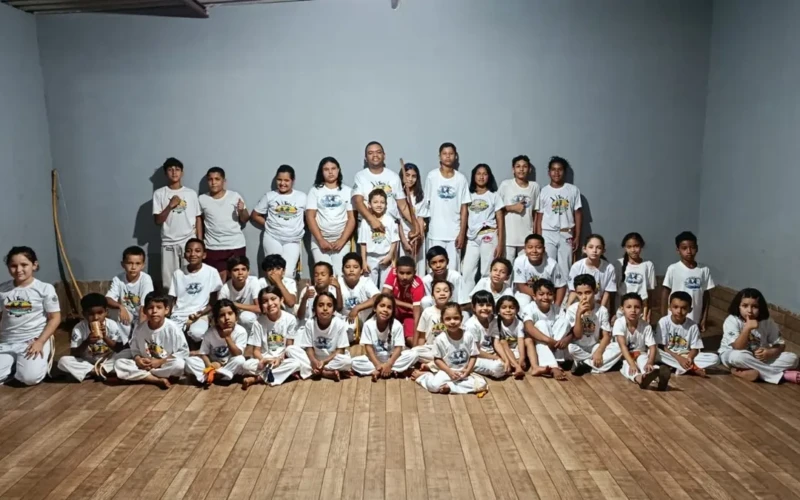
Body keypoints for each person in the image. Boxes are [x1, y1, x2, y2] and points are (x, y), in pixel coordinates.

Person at [0, 246, 61, 386]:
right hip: (7, 343)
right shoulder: (2, 290)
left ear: (34, 265)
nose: (19, 270)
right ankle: (13, 366)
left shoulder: (44, 289)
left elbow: (55, 318)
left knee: (29, 378)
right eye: (13, 266)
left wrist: (40, 342)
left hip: (33, 341)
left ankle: (34, 364)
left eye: (24, 265)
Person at [719, 288, 799, 384]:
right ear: (738, 306)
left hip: (759, 359)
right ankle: (783, 376)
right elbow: (738, 347)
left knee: (792, 358)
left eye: (754, 307)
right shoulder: (732, 320)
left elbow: (780, 344)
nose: (749, 311)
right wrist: (747, 328)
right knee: (740, 357)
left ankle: (743, 371)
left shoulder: (767, 321)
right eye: (745, 306)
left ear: (760, 308)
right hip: (733, 354)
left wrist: (770, 352)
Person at [114, 291, 189, 389]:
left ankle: (144, 376)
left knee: (180, 365)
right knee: (120, 364)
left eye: (159, 307)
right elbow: (134, 349)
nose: (154, 311)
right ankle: (156, 379)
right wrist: (138, 360)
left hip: (163, 364)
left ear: (166, 310)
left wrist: (160, 362)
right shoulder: (139, 329)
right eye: (150, 308)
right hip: (145, 366)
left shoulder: (173, 328)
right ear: (144, 311)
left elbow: (183, 352)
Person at [412, 302, 488, 395]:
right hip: (447, 371)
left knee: (482, 384)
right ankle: (425, 376)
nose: (452, 322)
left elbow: (473, 355)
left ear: (462, 318)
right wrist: (449, 372)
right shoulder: (440, 339)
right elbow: (437, 359)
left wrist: (468, 370)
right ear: (442, 320)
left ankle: (450, 387)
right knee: (433, 387)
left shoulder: (468, 336)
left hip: (463, 371)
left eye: (456, 318)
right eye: (448, 319)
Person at [152, 157, 201, 286]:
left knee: (191, 276)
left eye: (177, 169)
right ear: (165, 173)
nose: (174, 172)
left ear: (182, 172)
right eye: (170, 170)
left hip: (188, 241)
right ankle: (170, 305)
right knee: (169, 281)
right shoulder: (159, 194)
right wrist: (170, 206)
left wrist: (199, 241)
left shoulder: (191, 193)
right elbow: (157, 220)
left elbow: (198, 217)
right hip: (168, 241)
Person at [241, 286, 302, 388]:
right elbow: (256, 350)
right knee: (245, 365)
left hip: (282, 359)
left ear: (281, 299)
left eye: (273, 299)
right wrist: (264, 360)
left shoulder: (290, 319)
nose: (270, 304)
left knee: (296, 363)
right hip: (265, 360)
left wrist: (279, 359)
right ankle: (277, 375)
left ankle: (258, 378)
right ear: (261, 305)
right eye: (265, 301)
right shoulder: (258, 323)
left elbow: (289, 347)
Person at [251, 165, 306, 278]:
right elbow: (255, 215)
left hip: (293, 240)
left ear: (293, 181)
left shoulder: (302, 197)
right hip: (272, 238)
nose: (282, 183)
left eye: (286, 180)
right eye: (279, 179)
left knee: (288, 274)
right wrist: (268, 224)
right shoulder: (270, 196)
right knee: (273, 272)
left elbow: (310, 217)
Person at [58, 293, 128, 382]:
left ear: (106, 312)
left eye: (100, 313)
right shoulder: (79, 328)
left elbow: (118, 349)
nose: (96, 317)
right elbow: (74, 353)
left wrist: (105, 337)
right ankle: (99, 372)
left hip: (108, 360)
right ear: (84, 314)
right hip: (88, 362)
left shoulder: (112, 325)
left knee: (127, 352)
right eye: (91, 314)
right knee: (63, 361)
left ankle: (97, 371)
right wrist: (86, 342)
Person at [422, 143, 470, 270]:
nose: (448, 156)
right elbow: (425, 204)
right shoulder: (432, 176)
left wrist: (462, 233)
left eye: (451, 154)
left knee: (453, 270)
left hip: (454, 233)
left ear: (456, 156)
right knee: (435, 269)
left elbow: (464, 208)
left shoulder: (461, 179)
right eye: (444, 154)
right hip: (435, 232)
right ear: (439, 156)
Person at [198, 167, 249, 282]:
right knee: (216, 281)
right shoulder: (202, 199)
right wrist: (200, 241)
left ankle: (234, 301)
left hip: (235, 245)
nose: (213, 182)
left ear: (224, 181)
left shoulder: (234, 196)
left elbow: (245, 219)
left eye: (217, 179)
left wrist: (241, 210)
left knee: (236, 279)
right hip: (213, 246)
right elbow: (199, 221)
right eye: (210, 179)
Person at [352, 293, 419, 381]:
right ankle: (393, 371)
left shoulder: (397, 325)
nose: (385, 310)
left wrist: (389, 364)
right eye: (382, 306)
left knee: (414, 354)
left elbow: (398, 348)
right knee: (353, 362)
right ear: (375, 308)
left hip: (392, 358)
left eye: (389, 307)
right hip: (374, 359)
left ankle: (380, 371)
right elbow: (368, 348)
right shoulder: (368, 324)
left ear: (393, 311)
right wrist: (378, 365)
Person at [306, 157, 356, 273]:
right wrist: (321, 240)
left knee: (340, 275)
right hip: (320, 243)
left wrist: (342, 240)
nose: (330, 172)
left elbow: (351, 218)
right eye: (326, 169)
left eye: (333, 168)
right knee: (323, 275)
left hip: (341, 242)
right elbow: (310, 217)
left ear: (338, 170)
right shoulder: (315, 191)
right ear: (321, 172)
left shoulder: (347, 191)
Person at [287, 292, 352, 381]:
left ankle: (317, 371)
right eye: (321, 305)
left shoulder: (339, 324)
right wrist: (314, 361)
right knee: (290, 350)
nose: (325, 309)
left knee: (347, 361)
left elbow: (340, 350)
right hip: (314, 359)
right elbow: (308, 347)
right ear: (315, 309)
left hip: (331, 359)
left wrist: (324, 362)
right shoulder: (310, 323)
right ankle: (325, 372)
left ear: (333, 310)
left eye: (329, 305)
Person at [167, 239, 223, 342]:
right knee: (170, 336)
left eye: (197, 251)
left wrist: (201, 313)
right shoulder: (178, 273)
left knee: (197, 333)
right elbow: (173, 298)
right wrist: (170, 314)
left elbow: (214, 301)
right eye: (189, 251)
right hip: (179, 314)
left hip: (201, 314)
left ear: (204, 255)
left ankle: (196, 349)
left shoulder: (211, 272)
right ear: (184, 254)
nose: (193, 254)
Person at [536, 156, 582, 280]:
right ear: (549, 172)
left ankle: (565, 297)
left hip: (566, 233)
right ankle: (547, 294)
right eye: (553, 169)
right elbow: (539, 217)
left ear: (564, 172)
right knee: (547, 265)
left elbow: (577, 213)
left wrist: (577, 236)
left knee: (565, 267)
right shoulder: (544, 191)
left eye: (560, 169)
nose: (556, 173)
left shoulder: (573, 190)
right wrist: (539, 237)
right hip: (548, 233)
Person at [614, 293, 670, 390]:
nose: (633, 310)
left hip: (640, 354)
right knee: (628, 368)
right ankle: (641, 379)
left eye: (637, 307)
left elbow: (652, 347)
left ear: (642, 309)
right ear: (622, 309)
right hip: (625, 356)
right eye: (629, 307)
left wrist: (650, 362)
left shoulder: (646, 326)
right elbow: (622, 345)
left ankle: (658, 376)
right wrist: (632, 363)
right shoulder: (619, 323)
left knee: (644, 362)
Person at [462, 163, 505, 291]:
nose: (481, 177)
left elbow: (500, 220)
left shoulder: (494, 196)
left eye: (485, 174)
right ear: (474, 176)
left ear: (489, 177)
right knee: (467, 272)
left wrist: (501, 243)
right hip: (472, 237)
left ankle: (485, 302)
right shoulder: (468, 195)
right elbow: (464, 217)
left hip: (488, 235)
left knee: (486, 272)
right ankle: (466, 304)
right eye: (478, 174)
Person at [567, 274, 621, 375]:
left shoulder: (602, 310)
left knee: (618, 346)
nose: (584, 297)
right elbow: (577, 335)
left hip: (594, 346)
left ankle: (586, 365)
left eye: (587, 293)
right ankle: (595, 365)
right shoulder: (572, 310)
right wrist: (579, 314)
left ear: (595, 291)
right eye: (580, 293)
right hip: (578, 347)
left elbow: (606, 336)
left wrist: (599, 351)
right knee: (570, 348)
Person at [184, 299, 247, 386]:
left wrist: (227, 337)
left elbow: (237, 354)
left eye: (230, 313)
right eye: (222, 315)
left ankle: (213, 376)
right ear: (216, 320)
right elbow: (203, 353)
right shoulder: (210, 333)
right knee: (189, 361)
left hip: (228, 364)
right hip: (212, 364)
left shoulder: (240, 331)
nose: (227, 318)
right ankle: (219, 376)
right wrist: (210, 366)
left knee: (240, 360)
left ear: (236, 316)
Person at [656, 291, 719, 377]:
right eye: (676, 307)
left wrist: (689, 358)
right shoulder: (663, 322)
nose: (679, 311)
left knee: (715, 359)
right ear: (669, 307)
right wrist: (679, 359)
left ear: (690, 309)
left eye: (684, 308)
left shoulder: (692, 325)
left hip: (686, 355)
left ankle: (675, 367)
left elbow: (695, 348)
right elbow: (661, 346)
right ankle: (692, 368)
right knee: (654, 352)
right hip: (669, 354)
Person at [662, 231, 715, 330]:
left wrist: (704, 318)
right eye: (684, 248)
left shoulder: (704, 270)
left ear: (697, 248)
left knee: (692, 344)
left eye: (692, 247)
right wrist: (663, 318)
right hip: (674, 318)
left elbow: (706, 296)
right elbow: (665, 293)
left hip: (694, 318)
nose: (689, 251)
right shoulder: (673, 268)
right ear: (678, 250)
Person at [522, 279, 569, 379]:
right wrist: (549, 341)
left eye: (549, 294)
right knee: (541, 324)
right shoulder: (530, 308)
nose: (545, 297)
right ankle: (553, 366)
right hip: (538, 344)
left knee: (564, 322)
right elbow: (528, 327)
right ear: (534, 296)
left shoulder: (557, 309)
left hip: (554, 345)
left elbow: (565, 328)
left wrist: (559, 341)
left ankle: (555, 360)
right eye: (541, 294)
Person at [105, 246, 154, 340]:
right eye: (129, 263)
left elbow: (144, 307)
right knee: (117, 312)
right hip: (127, 315)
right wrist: (120, 306)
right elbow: (107, 299)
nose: (133, 267)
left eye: (137, 263)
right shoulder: (118, 279)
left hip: (143, 314)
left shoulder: (146, 279)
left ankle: (138, 341)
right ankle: (123, 343)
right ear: (123, 264)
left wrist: (140, 332)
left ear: (143, 265)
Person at [499, 155, 540, 261]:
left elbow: (536, 212)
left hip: (527, 237)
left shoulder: (534, 186)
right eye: (518, 166)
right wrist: (512, 207)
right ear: (513, 169)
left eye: (524, 166)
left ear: (529, 169)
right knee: (507, 269)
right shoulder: (505, 185)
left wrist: (535, 234)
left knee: (524, 268)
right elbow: (497, 209)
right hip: (508, 237)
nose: (521, 169)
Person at [358, 189, 399, 287]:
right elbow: (363, 243)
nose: (379, 205)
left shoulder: (389, 220)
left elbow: (395, 240)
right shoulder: (365, 222)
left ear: (386, 204)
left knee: (385, 286)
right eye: (375, 202)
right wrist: (364, 261)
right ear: (369, 204)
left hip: (386, 257)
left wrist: (390, 256)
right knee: (370, 286)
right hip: (371, 257)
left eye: (382, 202)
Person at [513, 234, 567, 308]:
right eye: (530, 247)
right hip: (527, 294)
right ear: (525, 249)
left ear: (544, 249)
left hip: (547, 296)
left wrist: (557, 306)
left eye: (538, 247)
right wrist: (540, 295)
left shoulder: (552, 264)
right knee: (524, 301)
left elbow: (561, 286)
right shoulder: (519, 261)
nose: (534, 251)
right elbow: (521, 287)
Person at [338, 253, 381, 343]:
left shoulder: (365, 281)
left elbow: (378, 297)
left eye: (355, 267)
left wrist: (357, 308)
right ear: (342, 270)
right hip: (344, 321)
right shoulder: (338, 282)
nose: (351, 270)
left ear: (361, 270)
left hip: (366, 322)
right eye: (347, 267)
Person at [566, 234, 616, 310]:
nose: (594, 251)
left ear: (603, 251)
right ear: (584, 249)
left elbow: (607, 292)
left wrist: (601, 310)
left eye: (598, 248)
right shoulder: (576, 266)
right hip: (579, 303)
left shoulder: (609, 268)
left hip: (598, 304)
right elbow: (573, 290)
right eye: (591, 247)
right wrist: (568, 307)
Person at [465, 291, 507, 379]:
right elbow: (476, 351)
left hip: (491, 354)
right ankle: (470, 368)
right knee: (498, 367)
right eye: (481, 305)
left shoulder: (493, 319)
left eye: (488, 305)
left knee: (509, 361)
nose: (485, 308)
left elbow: (496, 342)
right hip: (475, 357)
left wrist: (505, 359)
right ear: (473, 307)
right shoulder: (471, 325)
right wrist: (496, 358)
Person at [382, 257, 425, 343]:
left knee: (411, 340)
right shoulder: (393, 273)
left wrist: (414, 348)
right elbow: (384, 297)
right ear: (396, 271)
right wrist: (408, 305)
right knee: (381, 304)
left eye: (408, 273)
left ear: (414, 273)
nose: (405, 277)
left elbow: (416, 316)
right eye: (401, 273)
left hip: (409, 314)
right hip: (395, 310)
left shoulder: (417, 284)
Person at [615, 233, 655, 322]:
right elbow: (614, 291)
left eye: (636, 246)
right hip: (621, 312)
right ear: (625, 248)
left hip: (640, 312)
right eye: (629, 247)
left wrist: (648, 313)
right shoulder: (618, 264)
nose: (633, 250)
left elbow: (650, 292)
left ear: (641, 246)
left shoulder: (648, 265)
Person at [398, 162, 427, 276]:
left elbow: (421, 219)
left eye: (413, 176)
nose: (410, 179)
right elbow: (397, 221)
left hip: (417, 238)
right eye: (407, 175)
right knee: (403, 269)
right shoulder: (398, 195)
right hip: (402, 238)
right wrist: (405, 242)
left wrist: (419, 239)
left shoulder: (420, 197)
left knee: (417, 269)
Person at [218, 256, 261, 332]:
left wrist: (235, 304)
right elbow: (220, 312)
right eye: (236, 270)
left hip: (251, 318)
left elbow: (259, 308)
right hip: (232, 319)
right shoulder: (225, 289)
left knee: (246, 318)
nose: (240, 273)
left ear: (248, 271)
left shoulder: (253, 281)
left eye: (243, 269)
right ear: (229, 273)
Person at [491, 296, 527, 378]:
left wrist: (522, 358)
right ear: (498, 311)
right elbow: (495, 342)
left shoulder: (519, 323)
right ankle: (517, 367)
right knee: (503, 341)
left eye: (512, 308)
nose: (508, 310)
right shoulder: (496, 322)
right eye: (504, 308)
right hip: (504, 351)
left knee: (528, 341)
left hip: (517, 349)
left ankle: (520, 365)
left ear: (517, 310)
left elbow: (520, 341)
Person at [414, 278, 453, 353]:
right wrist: (419, 351)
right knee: (411, 353)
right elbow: (422, 336)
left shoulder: (454, 311)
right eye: (438, 291)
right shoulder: (427, 312)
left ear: (450, 295)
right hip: (430, 348)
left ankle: (431, 364)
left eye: (446, 291)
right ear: (432, 295)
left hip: (448, 349)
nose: (442, 293)